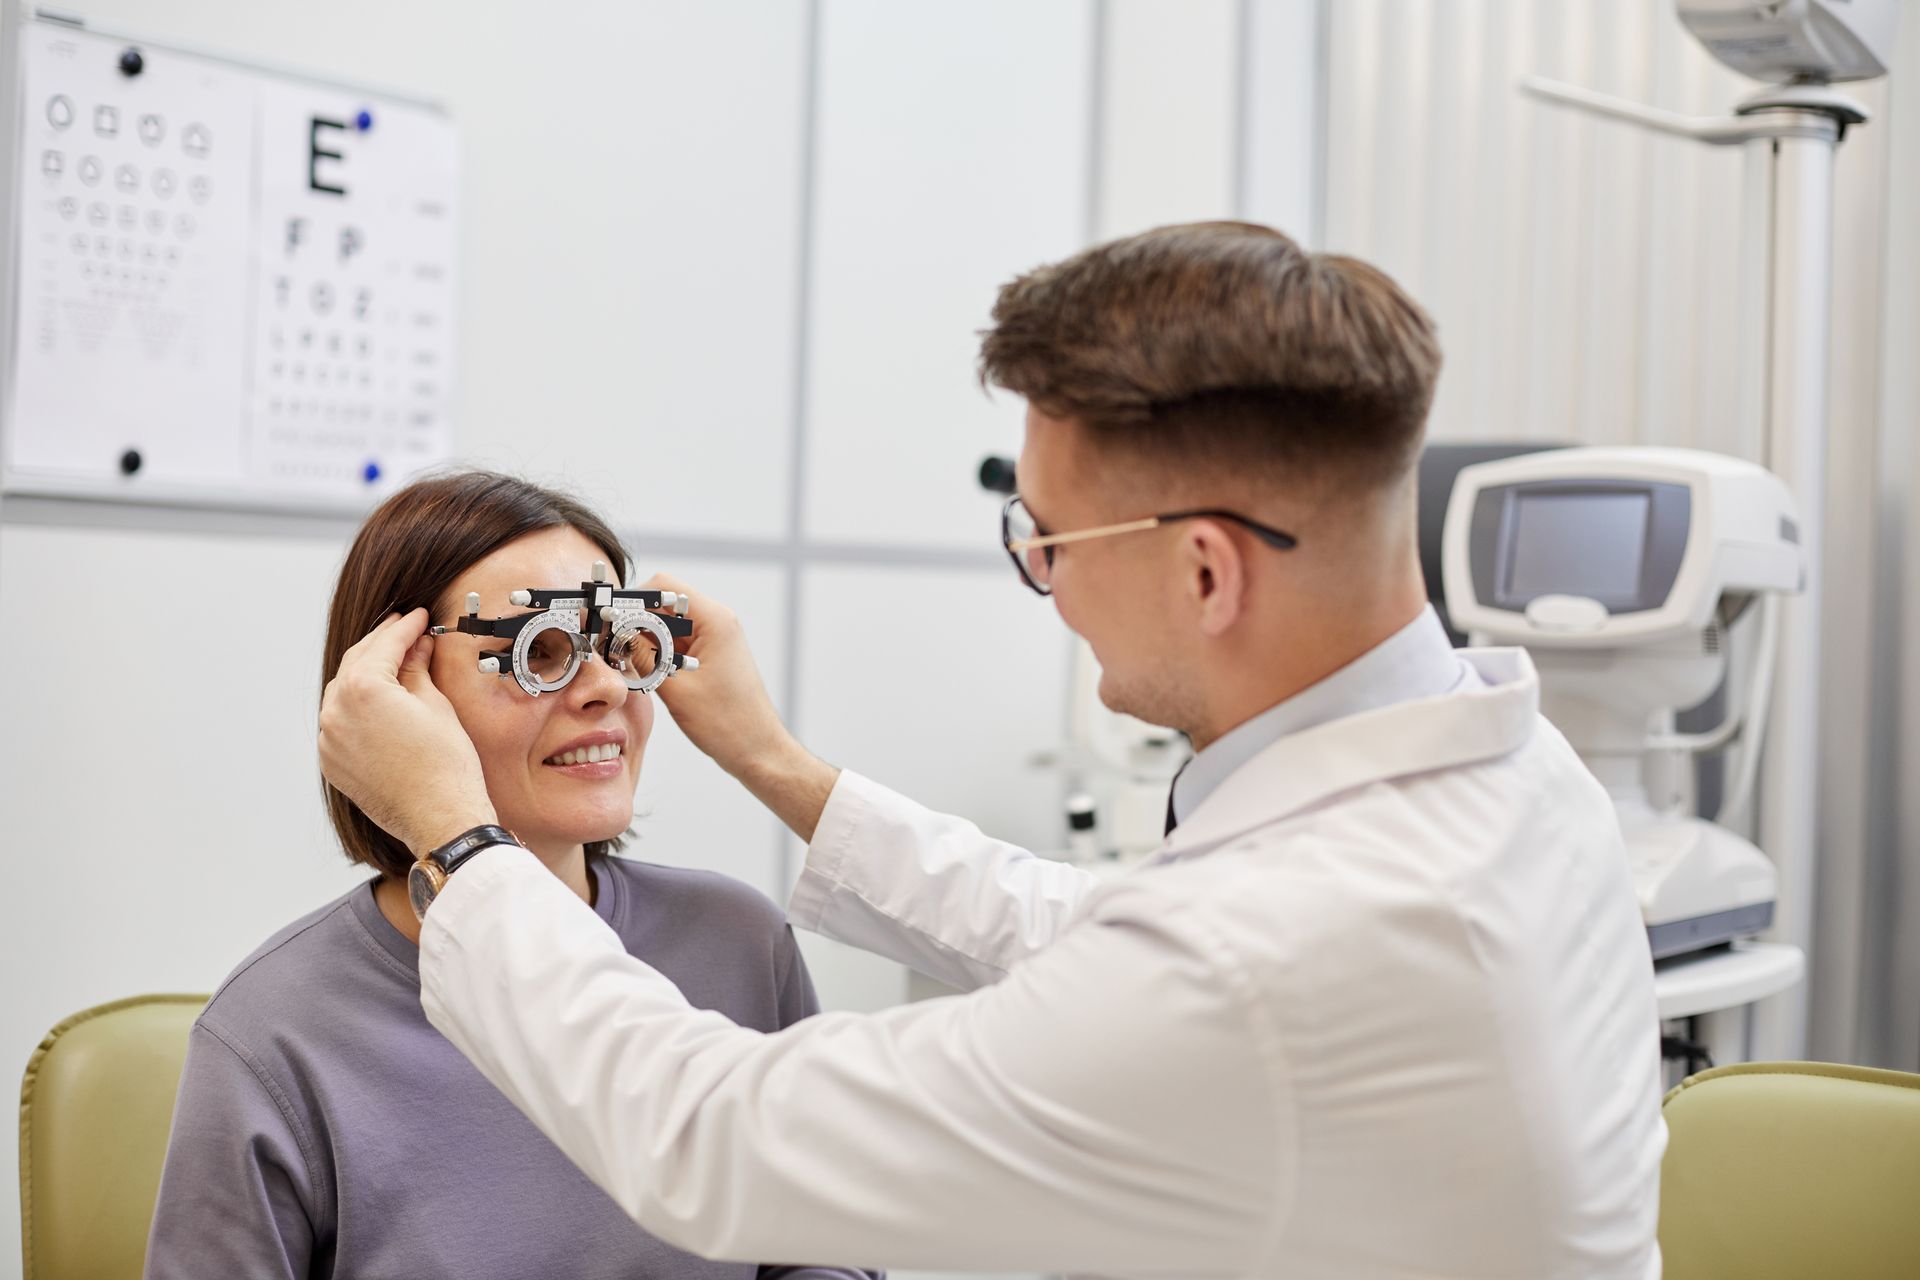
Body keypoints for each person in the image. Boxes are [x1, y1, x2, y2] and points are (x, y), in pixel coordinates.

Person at [320, 223, 1666, 1277]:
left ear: (1206, 571)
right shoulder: (1522, 779)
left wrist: (462, 844)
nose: (1051, 586)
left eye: (1050, 543)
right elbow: (1094, 931)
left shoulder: (1278, 952)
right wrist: (778, 764)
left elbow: (711, 1139)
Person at [147, 471, 877, 1280]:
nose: (603, 690)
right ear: (394, 697)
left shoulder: (739, 945)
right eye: (544, 650)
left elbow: (825, 1249)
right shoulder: (275, 1032)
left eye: (619, 644)